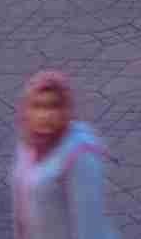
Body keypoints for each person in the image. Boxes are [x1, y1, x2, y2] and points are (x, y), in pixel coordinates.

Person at [7, 72, 116, 239]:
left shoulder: (80, 153)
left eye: (54, 106)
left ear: (65, 109)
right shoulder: (29, 144)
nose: (45, 115)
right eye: (37, 106)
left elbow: (89, 226)